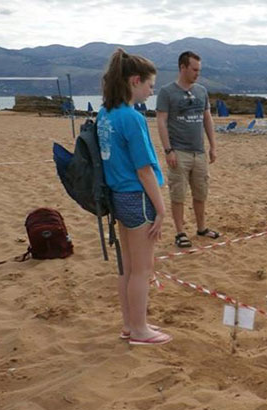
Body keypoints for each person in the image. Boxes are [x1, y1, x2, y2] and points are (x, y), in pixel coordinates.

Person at [97, 48, 172, 345]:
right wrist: (161, 210)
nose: (152, 92)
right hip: (137, 198)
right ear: (135, 81)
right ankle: (139, 330)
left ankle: (130, 324)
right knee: (142, 269)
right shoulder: (132, 117)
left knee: (127, 268)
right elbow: (144, 170)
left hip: (118, 197)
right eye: (150, 85)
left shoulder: (105, 113)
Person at [156, 51, 219, 248]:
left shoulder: (201, 91)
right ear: (182, 67)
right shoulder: (167, 92)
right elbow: (161, 121)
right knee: (178, 194)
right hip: (179, 151)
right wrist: (168, 150)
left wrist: (213, 146)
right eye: (194, 69)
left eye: (199, 70)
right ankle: (180, 232)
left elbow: (207, 118)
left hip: (199, 152)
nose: (197, 73)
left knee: (201, 192)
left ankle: (201, 228)